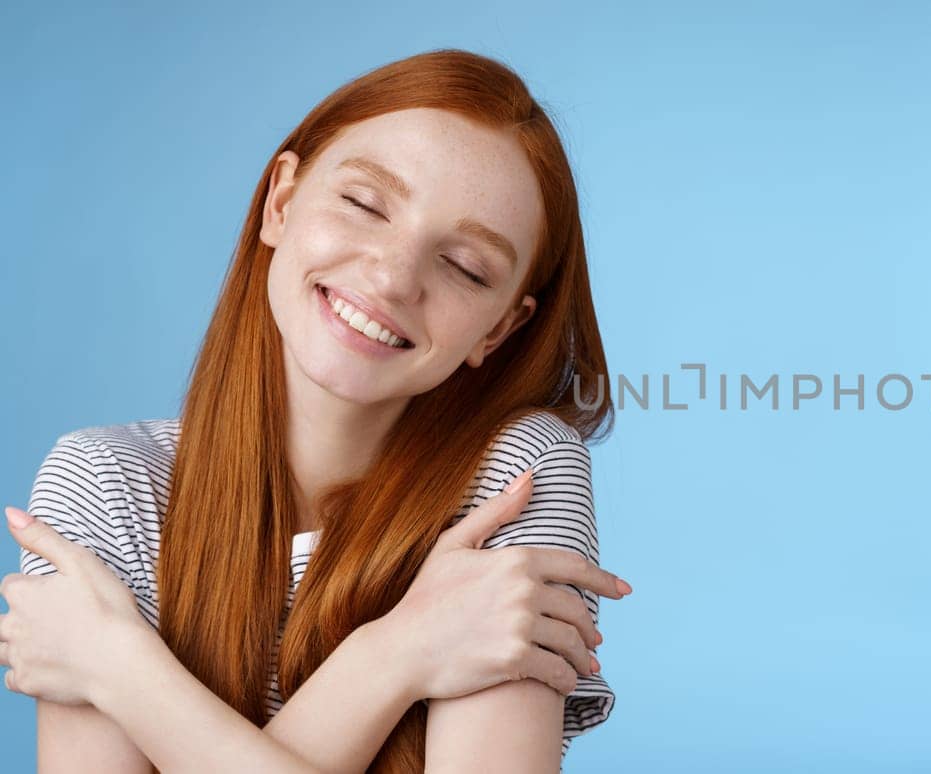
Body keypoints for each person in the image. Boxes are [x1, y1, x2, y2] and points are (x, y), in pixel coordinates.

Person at [0, 48, 628, 772]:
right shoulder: (107, 486)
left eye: (465, 266)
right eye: (364, 204)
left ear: (498, 330)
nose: (393, 278)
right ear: (281, 202)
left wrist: (122, 671)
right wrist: (403, 654)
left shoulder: (518, 473)